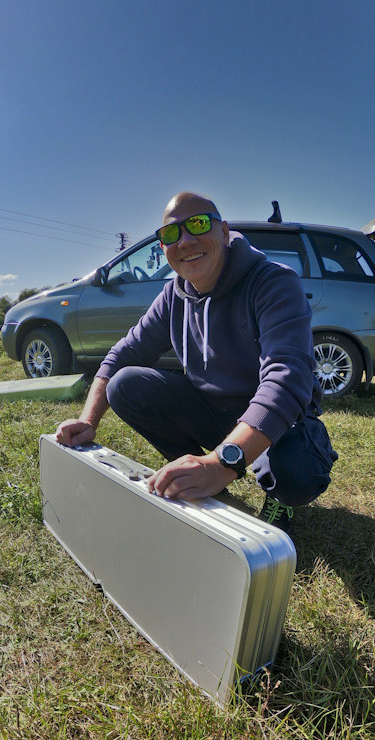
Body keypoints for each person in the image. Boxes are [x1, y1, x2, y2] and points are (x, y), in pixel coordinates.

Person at [56, 192, 337, 532]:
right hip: (213, 413)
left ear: (223, 231)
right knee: (126, 384)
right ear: (163, 248)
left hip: (279, 425)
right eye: (171, 234)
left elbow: (287, 378)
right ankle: (203, 478)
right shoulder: (174, 295)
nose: (186, 240)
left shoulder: (273, 281)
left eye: (199, 224)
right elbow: (123, 355)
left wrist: (222, 461)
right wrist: (88, 420)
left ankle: (271, 497)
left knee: (296, 470)